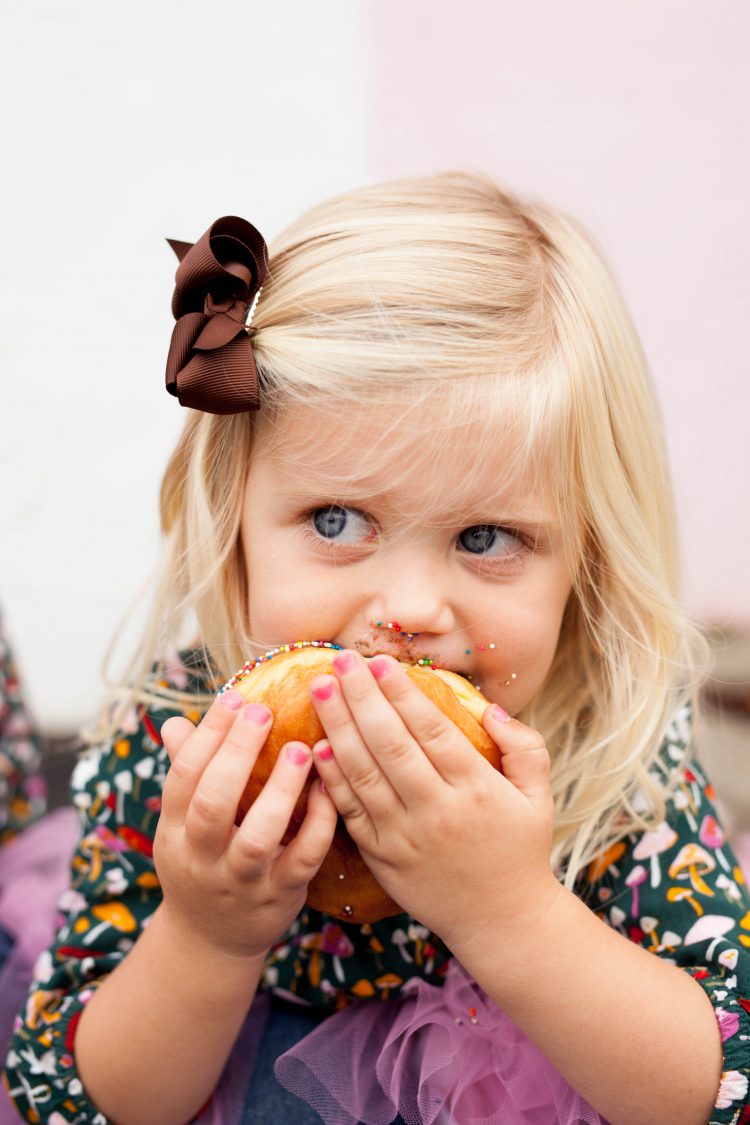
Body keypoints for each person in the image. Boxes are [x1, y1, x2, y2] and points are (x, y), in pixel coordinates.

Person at [4, 172, 749, 1125]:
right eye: (337, 518)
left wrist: (510, 914)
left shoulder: (616, 750)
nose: (404, 611)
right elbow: (67, 1101)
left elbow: (724, 1084)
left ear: (587, 563)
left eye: (486, 538)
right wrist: (207, 932)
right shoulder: (175, 744)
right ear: (233, 523)